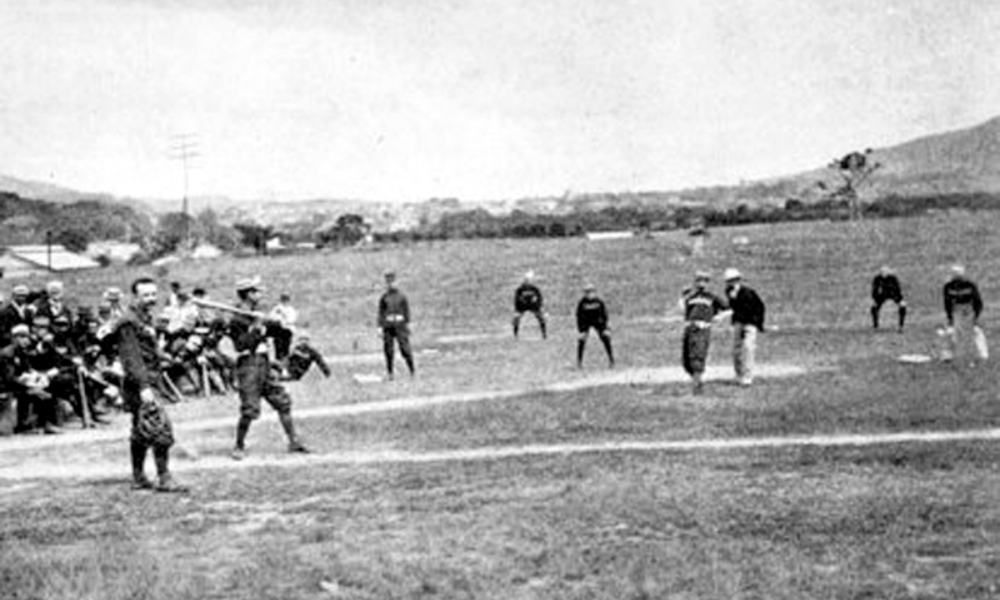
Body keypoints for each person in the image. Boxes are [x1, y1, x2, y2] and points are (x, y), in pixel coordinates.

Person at [114, 277, 186, 492]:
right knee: (159, 427)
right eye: (146, 295)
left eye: (154, 294)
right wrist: (144, 386)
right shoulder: (128, 322)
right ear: (135, 296)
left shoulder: (144, 318)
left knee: (140, 429)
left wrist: (165, 357)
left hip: (151, 378)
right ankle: (164, 478)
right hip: (140, 383)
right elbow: (132, 357)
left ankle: (138, 477)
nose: (151, 299)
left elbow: (149, 350)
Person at [228, 276, 310, 460]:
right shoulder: (237, 319)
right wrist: (256, 329)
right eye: (256, 291)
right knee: (250, 409)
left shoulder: (258, 313)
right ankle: (239, 445)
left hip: (265, 363)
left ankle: (293, 441)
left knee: (283, 402)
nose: (260, 294)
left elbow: (278, 331)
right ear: (248, 294)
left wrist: (279, 324)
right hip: (248, 365)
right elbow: (241, 346)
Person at [3, 323, 62, 435]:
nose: (26, 341)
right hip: (7, 385)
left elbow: (28, 369)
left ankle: (45, 423)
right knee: (37, 393)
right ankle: (24, 426)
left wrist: (38, 377)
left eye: (26, 337)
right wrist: (27, 383)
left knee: (46, 389)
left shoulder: (22, 352)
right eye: (22, 337)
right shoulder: (8, 354)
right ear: (15, 338)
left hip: (19, 383)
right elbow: (9, 378)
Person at [679, 271, 729, 395]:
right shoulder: (691, 297)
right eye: (699, 280)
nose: (702, 284)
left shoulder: (712, 297)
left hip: (702, 328)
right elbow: (683, 311)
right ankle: (697, 380)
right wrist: (682, 297)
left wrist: (718, 318)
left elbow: (728, 309)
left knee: (698, 356)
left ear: (708, 283)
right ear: (695, 282)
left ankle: (697, 387)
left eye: (705, 281)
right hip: (690, 328)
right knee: (686, 359)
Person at [724, 268, 766, 387]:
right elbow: (734, 308)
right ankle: (739, 374)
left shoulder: (748, 292)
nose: (731, 283)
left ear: (738, 280)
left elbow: (759, 307)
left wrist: (758, 323)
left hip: (749, 322)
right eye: (728, 281)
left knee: (748, 348)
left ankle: (748, 377)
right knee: (735, 350)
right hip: (738, 322)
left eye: (733, 280)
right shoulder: (728, 291)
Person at [943, 264, 986, 364]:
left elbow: (978, 302)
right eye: (955, 276)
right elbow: (947, 302)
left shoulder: (970, 285)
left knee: (976, 331)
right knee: (951, 332)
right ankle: (947, 356)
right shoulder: (948, 286)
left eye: (959, 276)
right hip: (956, 310)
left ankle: (982, 355)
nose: (957, 279)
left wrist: (976, 316)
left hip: (969, 309)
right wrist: (950, 317)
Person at [377, 271, 415, 379]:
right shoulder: (384, 298)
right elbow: (381, 313)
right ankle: (390, 373)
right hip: (388, 326)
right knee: (388, 350)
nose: (390, 285)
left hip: (400, 325)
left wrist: (408, 324)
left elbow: (406, 311)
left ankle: (412, 370)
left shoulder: (402, 297)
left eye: (392, 282)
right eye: (388, 282)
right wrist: (380, 327)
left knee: (405, 348)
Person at [575, 283, 614, 368]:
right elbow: (579, 316)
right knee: (581, 340)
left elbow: (604, 315)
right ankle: (579, 362)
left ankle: (611, 360)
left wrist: (605, 327)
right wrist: (581, 330)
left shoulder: (599, 302)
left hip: (598, 322)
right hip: (586, 322)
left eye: (591, 292)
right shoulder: (582, 303)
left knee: (606, 338)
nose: (589, 294)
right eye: (587, 292)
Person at [871, 266, 906, 332]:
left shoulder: (893, 279)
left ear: (888, 272)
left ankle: (901, 326)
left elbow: (898, 289)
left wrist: (900, 299)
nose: (883, 274)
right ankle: (875, 326)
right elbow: (874, 290)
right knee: (874, 308)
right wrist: (875, 299)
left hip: (893, 294)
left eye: (885, 272)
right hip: (882, 295)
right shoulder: (877, 279)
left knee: (903, 305)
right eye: (882, 272)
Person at [512, 271, 546, 339]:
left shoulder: (535, 289)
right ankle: (515, 335)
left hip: (533, 306)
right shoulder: (520, 289)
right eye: (526, 280)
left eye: (529, 280)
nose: (527, 281)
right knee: (516, 318)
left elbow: (539, 298)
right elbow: (516, 300)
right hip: (522, 306)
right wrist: (518, 308)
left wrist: (538, 305)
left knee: (542, 317)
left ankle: (544, 334)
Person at [268, 292, 298, 363]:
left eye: (286, 299)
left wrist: (283, 314)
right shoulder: (276, 308)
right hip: (278, 332)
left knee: (286, 349)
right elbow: (271, 318)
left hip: (287, 331)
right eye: (283, 299)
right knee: (278, 349)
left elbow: (291, 320)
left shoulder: (291, 310)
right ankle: (278, 364)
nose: (285, 301)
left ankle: (285, 365)